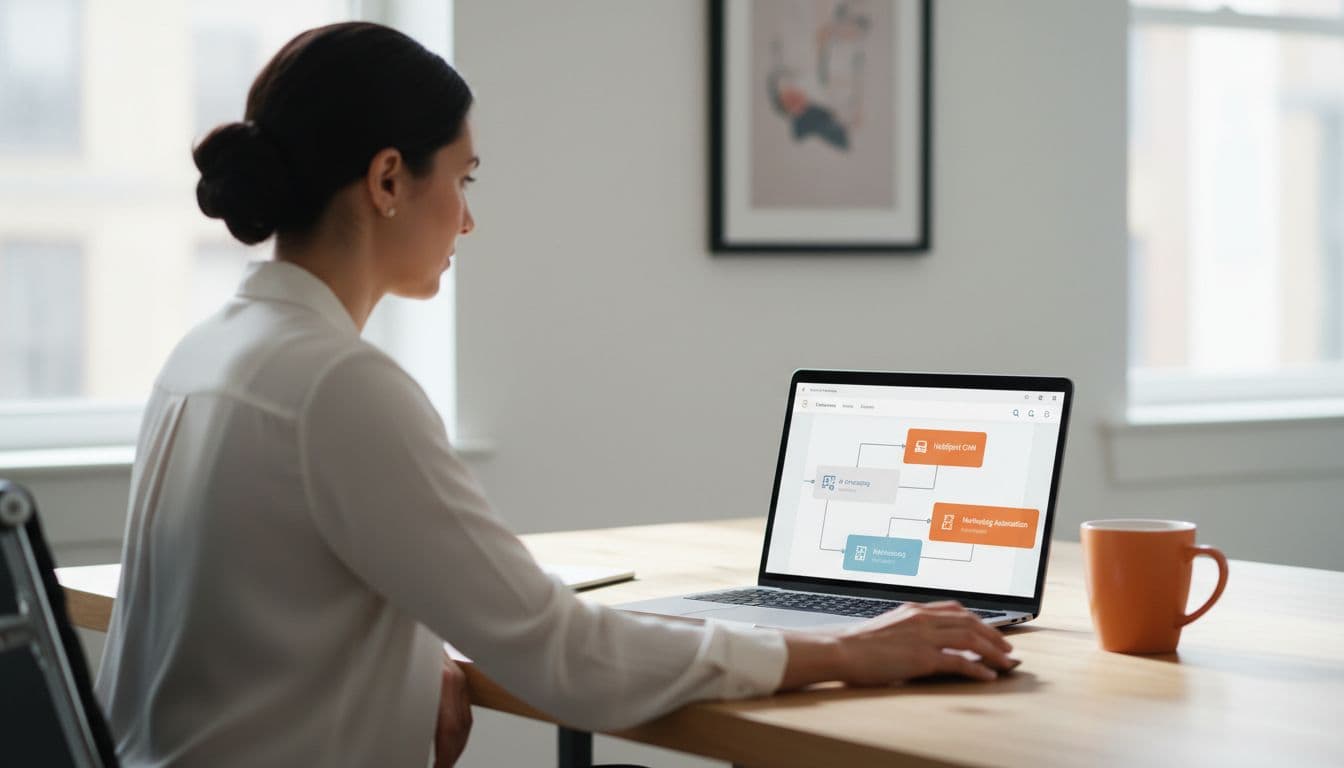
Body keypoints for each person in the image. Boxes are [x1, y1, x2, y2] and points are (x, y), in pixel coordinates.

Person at [94, 22, 1018, 767]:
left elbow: (273, 609)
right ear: (386, 180)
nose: (467, 217)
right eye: (461, 179)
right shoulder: (338, 385)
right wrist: (846, 650)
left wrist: (421, 662)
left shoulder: (211, 352)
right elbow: (565, 655)